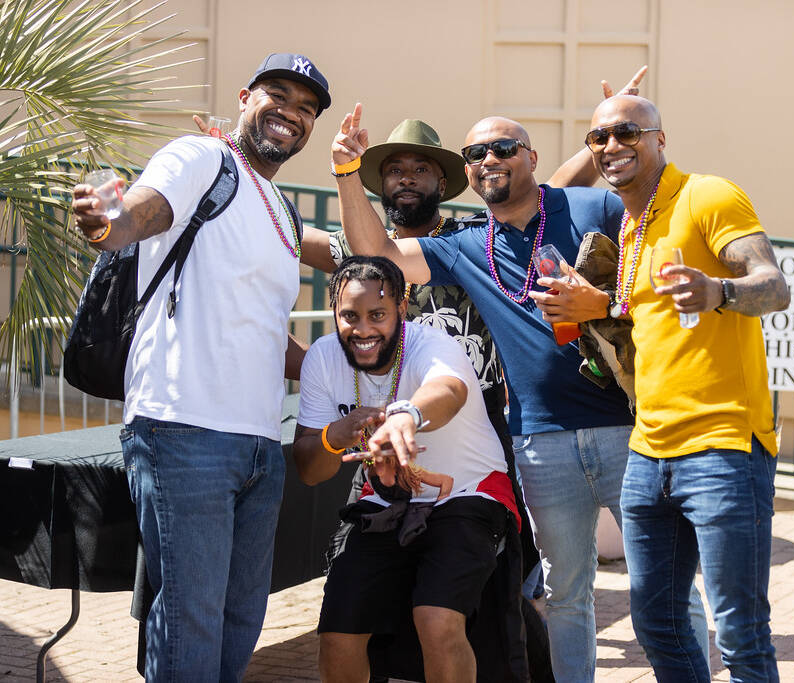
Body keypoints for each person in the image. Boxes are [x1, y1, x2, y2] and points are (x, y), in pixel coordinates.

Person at [332, 103, 709, 681]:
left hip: (629, 432)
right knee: (564, 591)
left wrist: (606, 303)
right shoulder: (465, 246)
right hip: (539, 441)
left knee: (663, 582)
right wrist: (347, 171)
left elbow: (660, 272)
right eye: (476, 153)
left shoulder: (593, 207)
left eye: (503, 148)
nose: (489, 160)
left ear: (532, 158)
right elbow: (377, 257)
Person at [70, 52, 332, 681]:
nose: (290, 114)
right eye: (278, 95)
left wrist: (337, 372)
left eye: (306, 108)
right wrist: (111, 222)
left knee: (241, 616)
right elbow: (140, 212)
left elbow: (263, 330)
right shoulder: (200, 158)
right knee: (191, 616)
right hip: (183, 429)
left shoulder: (280, 206)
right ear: (246, 97)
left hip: (260, 443)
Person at [535, 94, 788, 681]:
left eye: (627, 132)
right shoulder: (629, 227)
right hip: (648, 452)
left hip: (723, 447)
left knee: (740, 632)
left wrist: (719, 291)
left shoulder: (708, 195)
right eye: (598, 137)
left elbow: (773, 286)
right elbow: (644, 322)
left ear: (659, 138)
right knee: (659, 625)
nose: (611, 146)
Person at [293, 255, 519, 683]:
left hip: (469, 492)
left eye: (377, 314)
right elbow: (310, 470)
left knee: (435, 619)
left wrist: (407, 416)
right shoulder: (323, 358)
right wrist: (335, 434)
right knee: (338, 630)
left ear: (401, 309)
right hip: (385, 499)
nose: (363, 330)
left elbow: (448, 389)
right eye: (349, 316)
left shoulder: (431, 343)